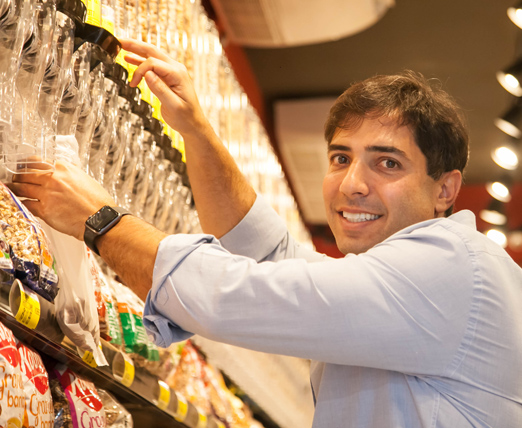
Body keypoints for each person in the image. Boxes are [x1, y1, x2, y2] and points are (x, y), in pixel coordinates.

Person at [9, 39, 522, 428]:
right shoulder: (416, 280)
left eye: (387, 164)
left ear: (446, 189)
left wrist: (102, 222)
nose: (352, 185)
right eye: (341, 158)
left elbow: (246, 294)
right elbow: (268, 251)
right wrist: (196, 132)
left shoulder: (449, 266)